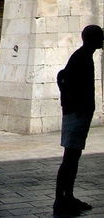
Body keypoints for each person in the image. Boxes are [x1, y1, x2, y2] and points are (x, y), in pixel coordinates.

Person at [54, 25, 104, 215]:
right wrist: (75, 106)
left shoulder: (83, 56)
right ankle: (61, 199)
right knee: (70, 157)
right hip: (76, 114)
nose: (102, 40)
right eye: (100, 37)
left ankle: (68, 196)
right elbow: (64, 79)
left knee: (73, 157)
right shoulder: (81, 58)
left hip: (77, 113)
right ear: (92, 39)